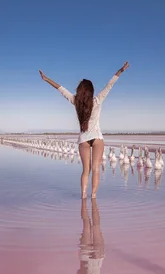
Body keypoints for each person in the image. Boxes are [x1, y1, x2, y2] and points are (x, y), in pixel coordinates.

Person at [39, 61, 129, 198]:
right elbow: (110, 85)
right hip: (97, 138)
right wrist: (120, 71)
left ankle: (83, 196)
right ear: (91, 90)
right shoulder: (97, 100)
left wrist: (46, 79)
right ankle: (93, 196)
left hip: (83, 140)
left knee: (86, 171)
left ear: (80, 91)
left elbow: (61, 89)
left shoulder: (76, 102)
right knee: (96, 169)